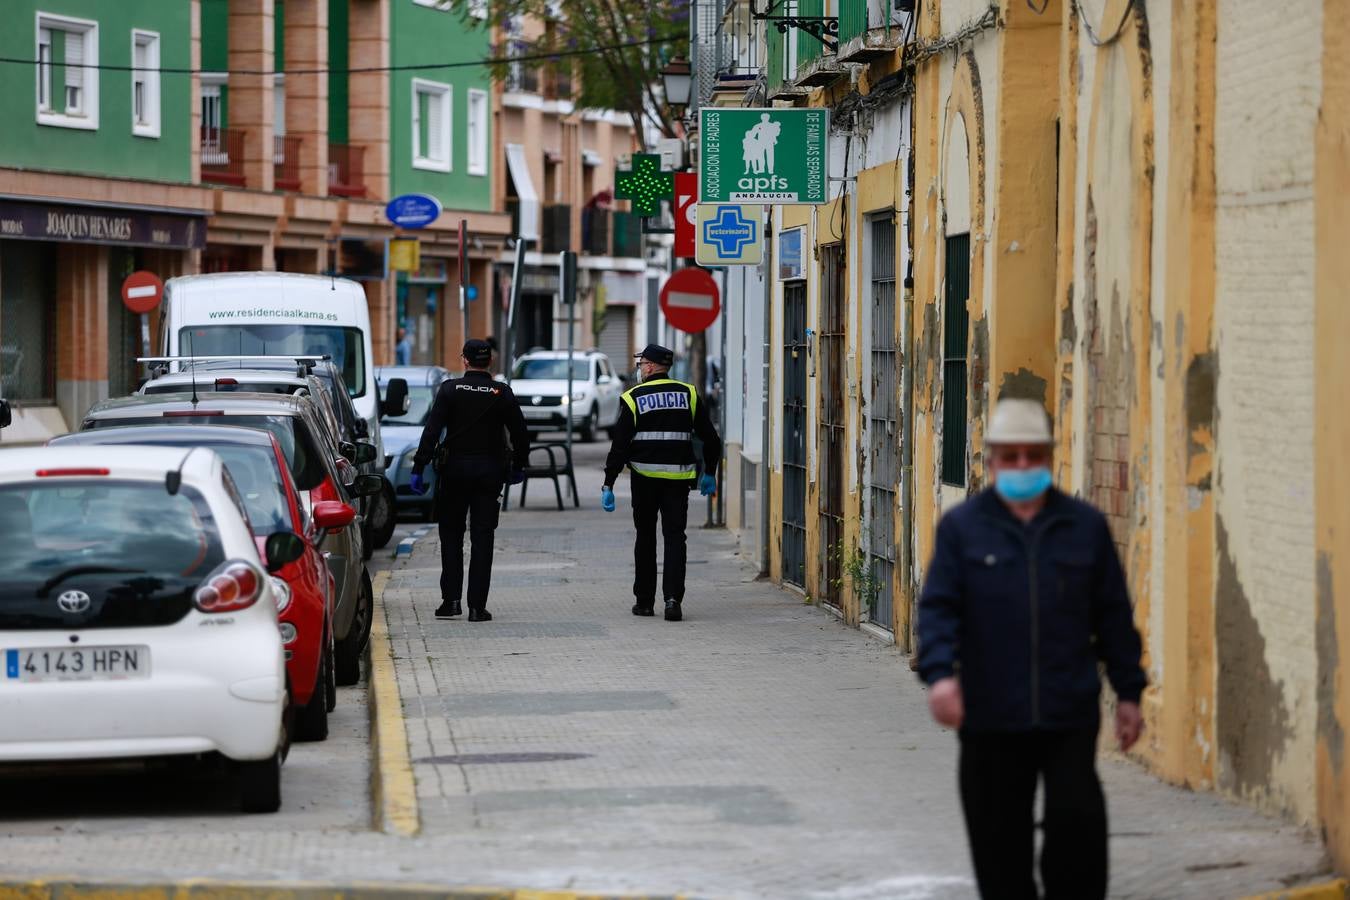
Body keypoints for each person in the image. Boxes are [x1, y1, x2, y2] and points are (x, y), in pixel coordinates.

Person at [916, 398, 1146, 900]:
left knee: (1078, 843)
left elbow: (1113, 616)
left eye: (1032, 456)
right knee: (1000, 855)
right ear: (992, 460)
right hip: (990, 718)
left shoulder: (1083, 528)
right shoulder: (963, 530)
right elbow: (937, 611)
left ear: (1047, 457)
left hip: (1068, 714)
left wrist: (1130, 693)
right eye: (1010, 456)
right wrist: (941, 676)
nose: (1022, 466)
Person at [409, 339, 528, 622]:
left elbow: (432, 430)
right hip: (489, 473)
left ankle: (450, 601)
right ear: (490, 362)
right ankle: (477, 607)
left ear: (464, 361)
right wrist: (519, 466)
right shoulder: (502, 392)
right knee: (483, 538)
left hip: (454, 472)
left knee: (451, 536)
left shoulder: (450, 390)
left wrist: (419, 466)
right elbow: (521, 432)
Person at [601, 344, 722, 622]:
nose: (640, 368)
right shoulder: (688, 394)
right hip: (678, 481)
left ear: (652, 366)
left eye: (642, 364)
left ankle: (644, 602)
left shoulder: (633, 397)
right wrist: (710, 472)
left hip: (644, 480)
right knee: (675, 538)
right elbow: (711, 439)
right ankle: (672, 601)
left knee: (645, 538)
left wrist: (608, 482)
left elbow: (619, 446)